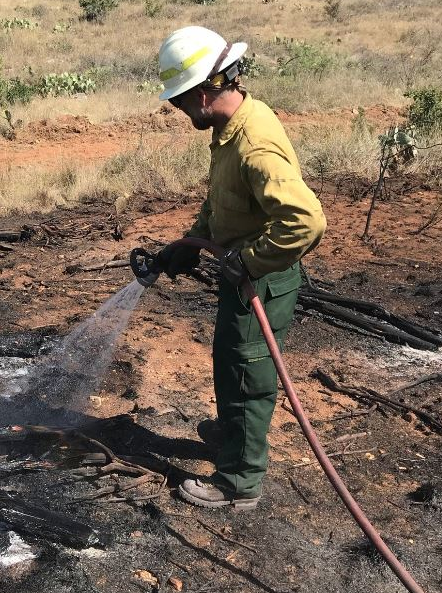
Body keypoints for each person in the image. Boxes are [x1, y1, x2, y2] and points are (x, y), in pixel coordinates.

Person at [153, 26, 327, 509]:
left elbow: (307, 221)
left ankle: (238, 481)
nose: (178, 110)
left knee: (249, 376)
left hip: (260, 281)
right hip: (242, 274)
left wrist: (248, 261)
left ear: (206, 92)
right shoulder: (231, 129)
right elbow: (225, 201)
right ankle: (234, 434)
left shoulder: (254, 145)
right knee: (231, 362)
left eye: (180, 100)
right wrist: (189, 243)